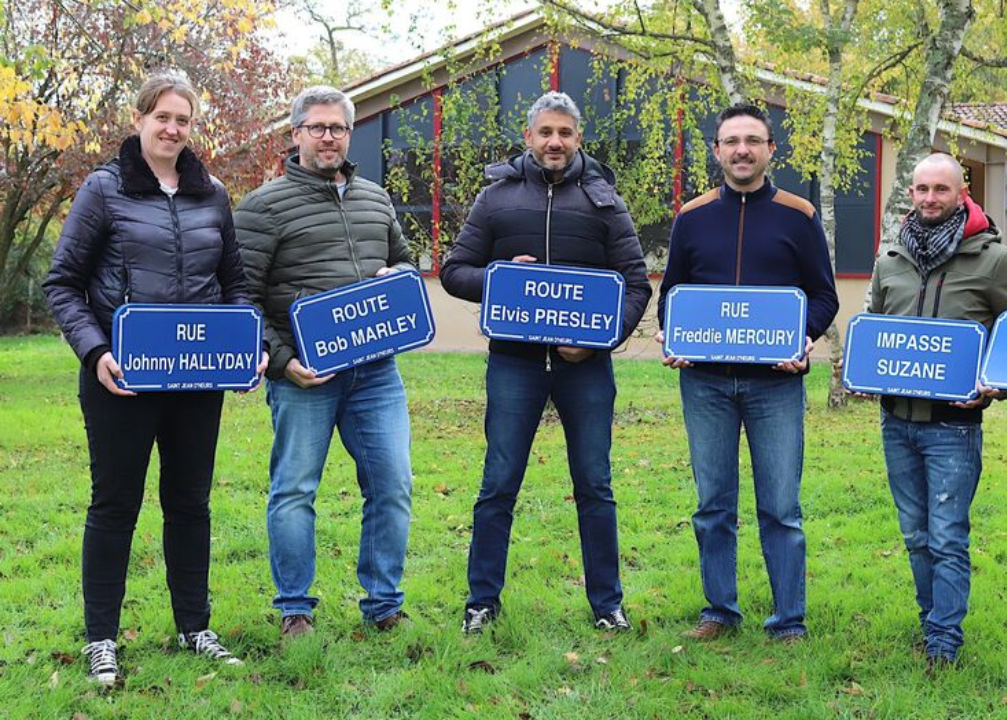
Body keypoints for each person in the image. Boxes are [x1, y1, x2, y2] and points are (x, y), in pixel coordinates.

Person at [44, 70, 256, 686]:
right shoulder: (103, 190)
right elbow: (64, 284)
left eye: (183, 120)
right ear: (139, 119)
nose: (172, 128)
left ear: (192, 128)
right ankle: (102, 639)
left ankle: (195, 627)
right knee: (115, 505)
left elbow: (235, 285)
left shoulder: (212, 193)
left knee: (189, 504)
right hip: (122, 379)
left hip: (197, 379)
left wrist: (243, 348)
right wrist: (95, 351)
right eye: (162, 116)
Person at [440, 91, 651, 634]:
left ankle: (607, 605)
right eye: (545, 133)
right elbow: (454, 270)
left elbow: (634, 283)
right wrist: (500, 276)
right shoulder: (496, 198)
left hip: (586, 367)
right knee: (499, 482)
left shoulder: (606, 199)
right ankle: (481, 602)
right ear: (528, 137)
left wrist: (602, 340)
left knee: (595, 484)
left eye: (565, 133)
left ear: (578, 139)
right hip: (515, 362)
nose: (554, 142)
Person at [234, 86, 416, 637]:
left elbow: (403, 264)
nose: (329, 136)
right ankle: (295, 610)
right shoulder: (263, 206)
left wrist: (397, 280)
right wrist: (284, 361)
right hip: (303, 378)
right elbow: (242, 298)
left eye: (337, 127)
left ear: (349, 133)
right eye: (317, 127)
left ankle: (384, 605)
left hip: (376, 373)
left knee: (392, 484)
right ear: (296, 135)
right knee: (295, 490)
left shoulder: (375, 198)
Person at [656, 102, 839, 642]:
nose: (742, 150)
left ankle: (789, 620)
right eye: (731, 141)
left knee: (781, 506)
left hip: (776, 385)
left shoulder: (799, 215)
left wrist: (802, 337)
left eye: (752, 141)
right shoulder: (691, 216)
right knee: (713, 503)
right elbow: (672, 295)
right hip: (706, 383)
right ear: (717, 151)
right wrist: (672, 335)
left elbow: (824, 294)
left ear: (769, 150)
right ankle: (719, 612)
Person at [864, 153, 1007, 668]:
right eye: (921, 189)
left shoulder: (993, 258)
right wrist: (868, 371)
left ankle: (944, 640)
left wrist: (994, 389)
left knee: (947, 536)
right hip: (897, 423)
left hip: (954, 428)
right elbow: (875, 323)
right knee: (915, 536)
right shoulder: (890, 255)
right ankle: (929, 620)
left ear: (963, 194)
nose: (930, 198)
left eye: (941, 189)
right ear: (911, 194)